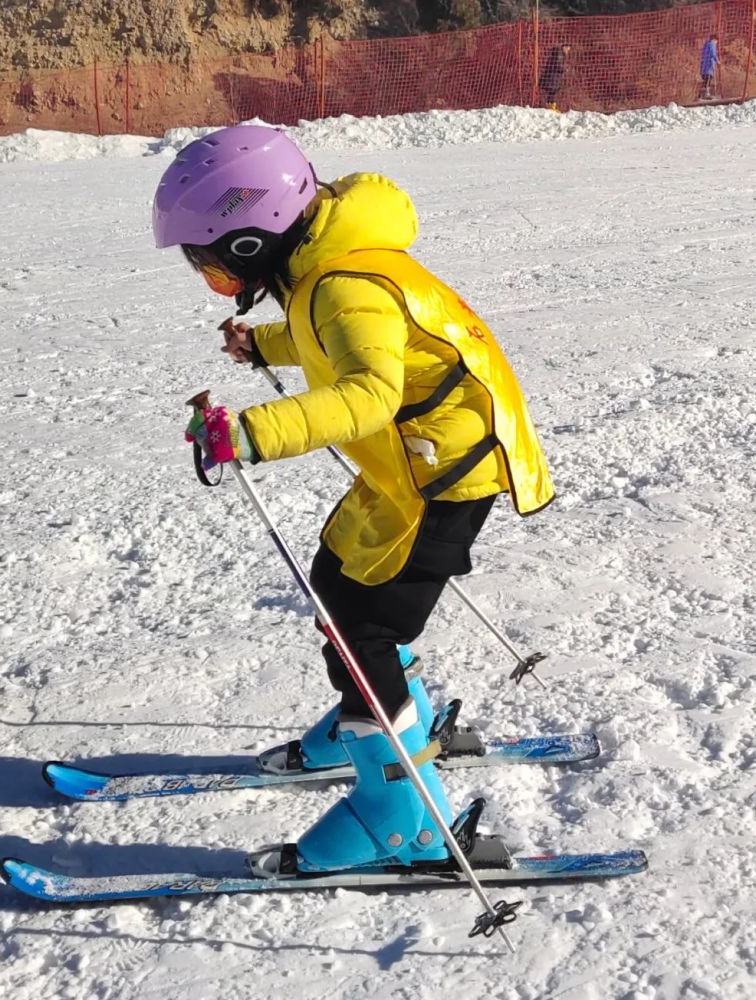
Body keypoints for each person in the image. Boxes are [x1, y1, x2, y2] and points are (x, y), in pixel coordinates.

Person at [152, 125, 555, 874]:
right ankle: (369, 719)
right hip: (418, 463)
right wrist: (265, 347)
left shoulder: (343, 283)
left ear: (251, 241)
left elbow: (371, 391)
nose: (211, 277)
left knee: (363, 627)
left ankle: (405, 822)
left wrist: (248, 431)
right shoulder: (327, 268)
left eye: (210, 266)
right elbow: (339, 338)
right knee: (340, 580)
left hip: (445, 473)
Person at [539, 43, 571, 111]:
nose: (568, 50)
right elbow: (557, 66)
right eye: (567, 48)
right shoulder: (559, 55)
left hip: (552, 78)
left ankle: (550, 107)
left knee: (552, 92)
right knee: (552, 92)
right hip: (552, 78)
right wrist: (564, 69)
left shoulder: (558, 55)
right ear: (564, 47)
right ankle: (551, 107)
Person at [700, 34, 720, 100]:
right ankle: (706, 94)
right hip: (709, 65)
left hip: (704, 65)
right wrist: (717, 61)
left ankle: (701, 94)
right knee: (708, 79)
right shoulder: (712, 44)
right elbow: (713, 53)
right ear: (714, 39)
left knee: (705, 80)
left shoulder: (706, 44)